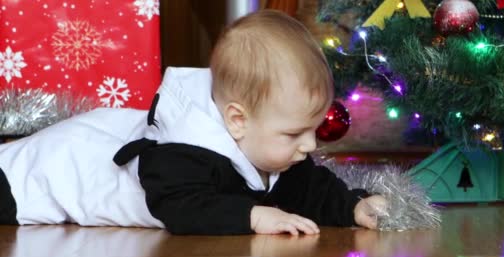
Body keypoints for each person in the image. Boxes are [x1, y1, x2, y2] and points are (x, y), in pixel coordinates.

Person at [0, 10, 386, 235]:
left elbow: (308, 188)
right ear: (237, 120)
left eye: (313, 130)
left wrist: (352, 207)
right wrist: (252, 216)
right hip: (51, 172)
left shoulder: (268, 145)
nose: (310, 146)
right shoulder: (183, 156)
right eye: (294, 134)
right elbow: (181, 205)